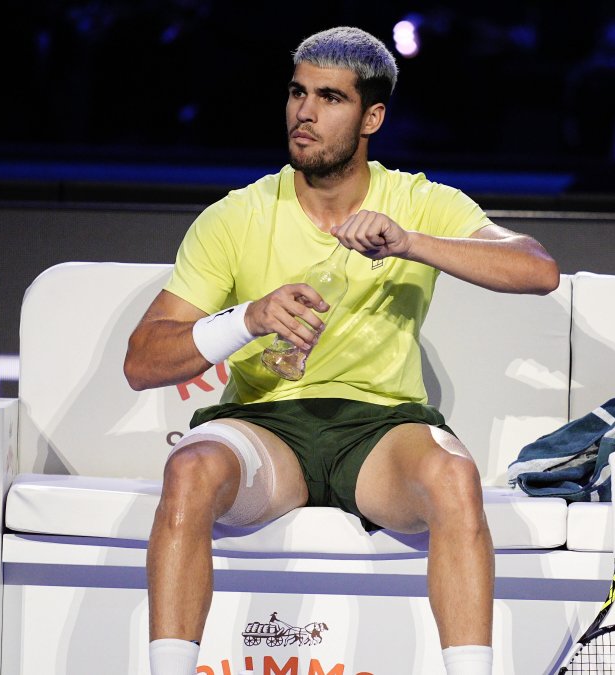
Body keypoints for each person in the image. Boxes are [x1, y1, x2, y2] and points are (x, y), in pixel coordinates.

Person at [124, 25, 559, 675]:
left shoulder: (416, 200)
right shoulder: (236, 216)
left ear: (371, 116)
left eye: (329, 97)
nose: (304, 111)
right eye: (298, 92)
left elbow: (537, 269)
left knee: (454, 476)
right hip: (265, 429)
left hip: (380, 432)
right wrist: (246, 318)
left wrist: (409, 241)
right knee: (188, 470)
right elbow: (142, 361)